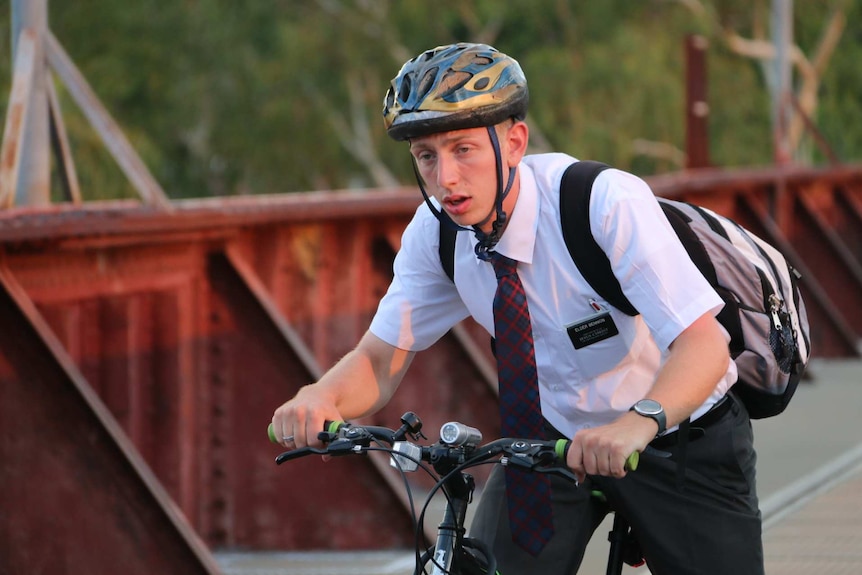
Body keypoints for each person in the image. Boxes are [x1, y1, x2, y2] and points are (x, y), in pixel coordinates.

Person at [272, 42, 763, 574]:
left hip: (676, 434)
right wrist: (320, 396)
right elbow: (380, 358)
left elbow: (705, 345)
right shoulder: (437, 233)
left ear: (514, 143)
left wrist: (636, 423)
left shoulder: (600, 203)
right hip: (548, 442)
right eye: (426, 157)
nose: (446, 179)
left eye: (463, 150)